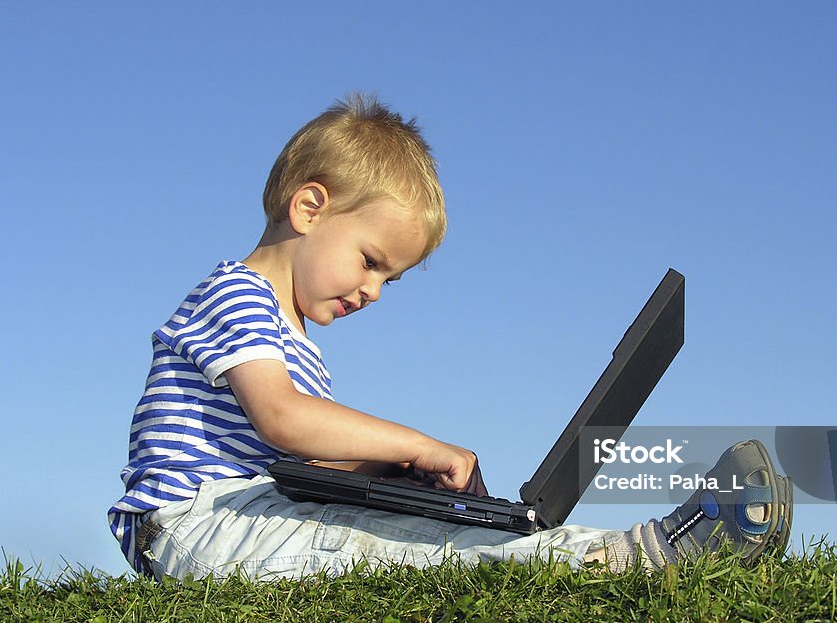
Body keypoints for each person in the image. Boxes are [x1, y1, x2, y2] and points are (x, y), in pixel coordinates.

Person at [108, 94, 793, 581]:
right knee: (408, 549)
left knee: (424, 529)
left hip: (247, 513)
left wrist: (388, 476)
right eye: (371, 261)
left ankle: (548, 544)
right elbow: (284, 422)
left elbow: (298, 465)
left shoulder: (290, 336)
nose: (373, 291)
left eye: (390, 280)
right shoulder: (235, 293)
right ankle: (640, 555)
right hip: (197, 528)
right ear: (310, 208)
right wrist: (417, 445)